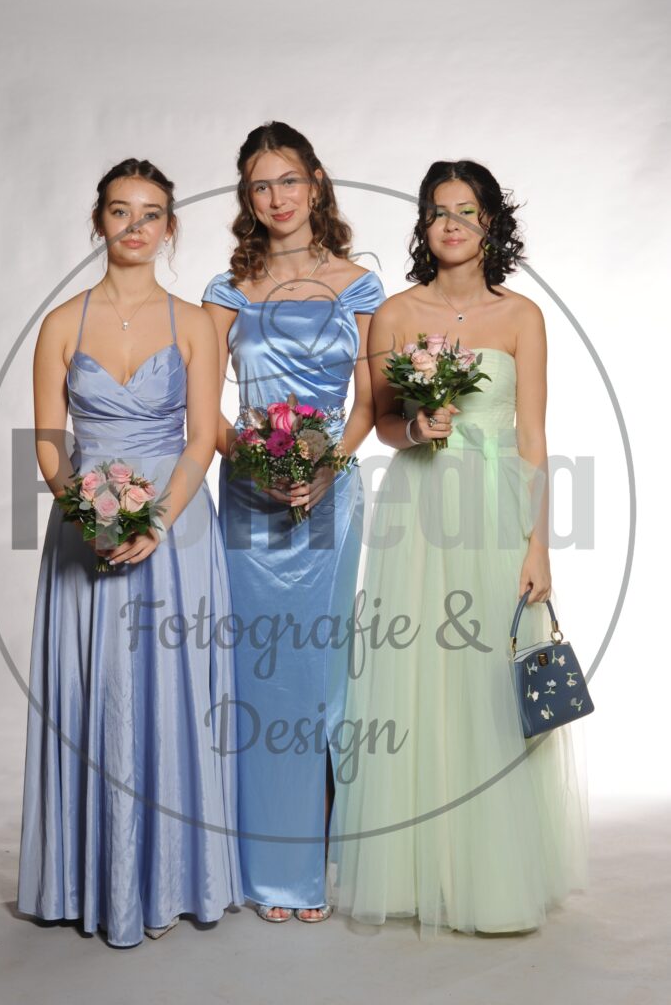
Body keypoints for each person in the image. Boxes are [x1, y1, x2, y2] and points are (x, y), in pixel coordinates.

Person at [331, 160, 588, 935]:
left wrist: (539, 546)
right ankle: (421, 870)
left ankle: (495, 874)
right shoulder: (396, 313)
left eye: (467, 210)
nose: (452, 223)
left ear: (491, 223)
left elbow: (534, 436)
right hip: (420, 507)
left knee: (486, 682)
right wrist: (416, 427)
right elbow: (381, 422)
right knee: (419, 680)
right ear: (423, 224)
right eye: (439, 210)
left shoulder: (522, 317)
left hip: (496, 509)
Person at [17, 158, 242, 948]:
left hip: (175, 530)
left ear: (170, 228)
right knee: (99, 692)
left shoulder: (193, 323)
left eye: (151, 214)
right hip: (86, 527)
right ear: (99, 221)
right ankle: (89, 878)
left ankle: (177, 875)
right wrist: (85, 513)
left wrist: (157, 521)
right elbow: (49, 443)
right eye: (121, 211)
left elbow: (202, 437)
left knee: (170, 693)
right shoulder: (59, 324)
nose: (135, 226)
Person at [202, 121, 385, 922]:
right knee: (255, 674)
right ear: (248, 198)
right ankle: (260, 867)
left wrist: (324, 467)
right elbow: (201, 407)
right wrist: (249, 459)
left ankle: (308, 866)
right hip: (249, 499)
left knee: (319, 677)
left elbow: (369, 403)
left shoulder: (360, 287)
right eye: (260, 186)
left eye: (288, 180)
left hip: (329, 494)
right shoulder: (226, 291)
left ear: (316, 184)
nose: (276, 198)